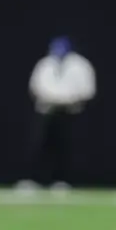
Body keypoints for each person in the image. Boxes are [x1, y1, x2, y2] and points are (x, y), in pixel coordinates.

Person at [21, 36, 96, 190]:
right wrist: (52, 98)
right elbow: (36, 86)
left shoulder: (80, 65)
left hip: (70, 111)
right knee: (41, 146)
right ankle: (34, 180)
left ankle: (62, 180)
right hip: (47, 110)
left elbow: (87, 90)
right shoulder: (45, 64)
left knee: (66, 147)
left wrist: (66, 99)